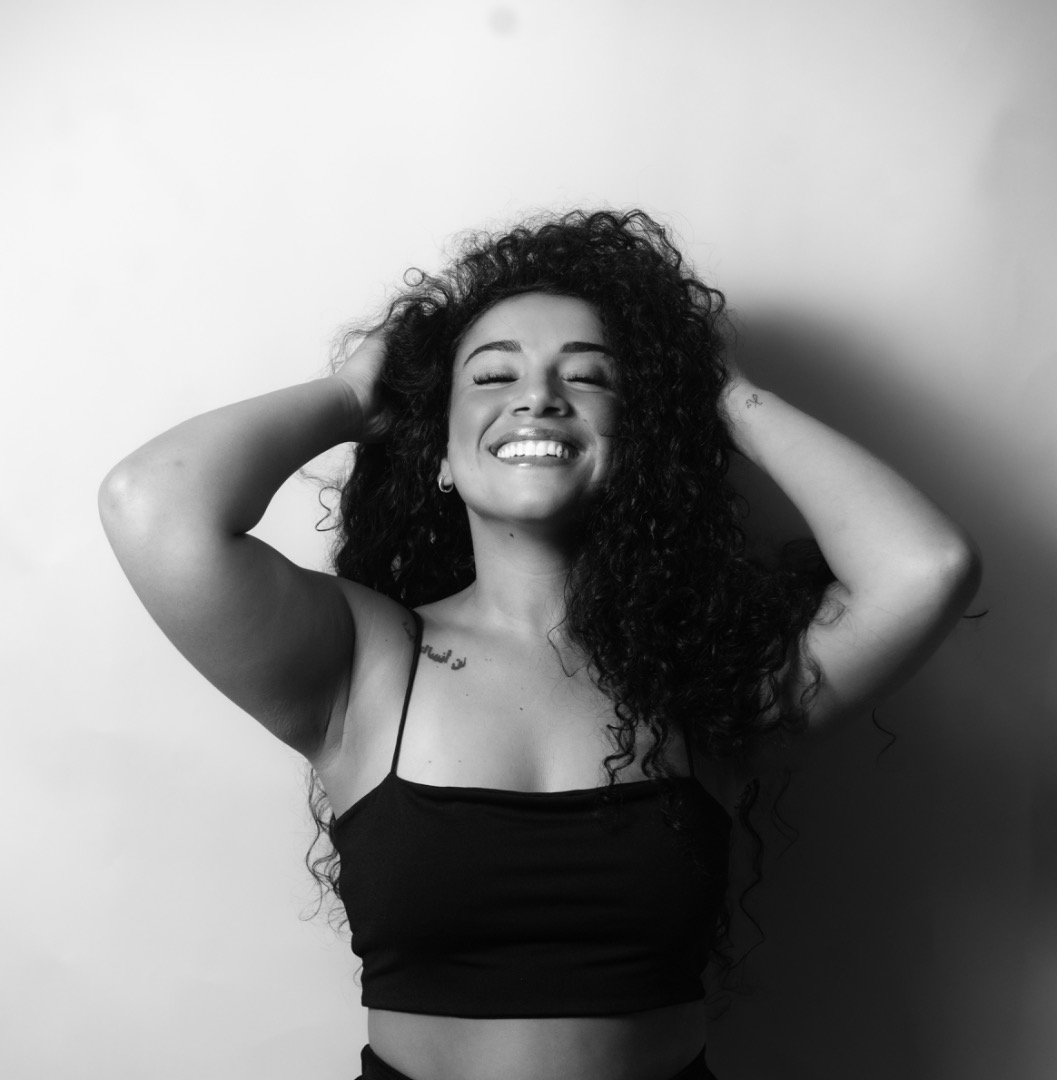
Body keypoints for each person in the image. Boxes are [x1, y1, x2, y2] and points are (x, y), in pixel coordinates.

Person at [98, 209, 981, 1080]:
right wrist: (352, 396)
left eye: (588, 377)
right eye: (492, 375)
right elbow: (152, 504)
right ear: (440, 456)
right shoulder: (363, 659)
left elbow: (925, 569)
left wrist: (727, 396)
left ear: (637, 443)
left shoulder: (703, 675)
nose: (538, 396)